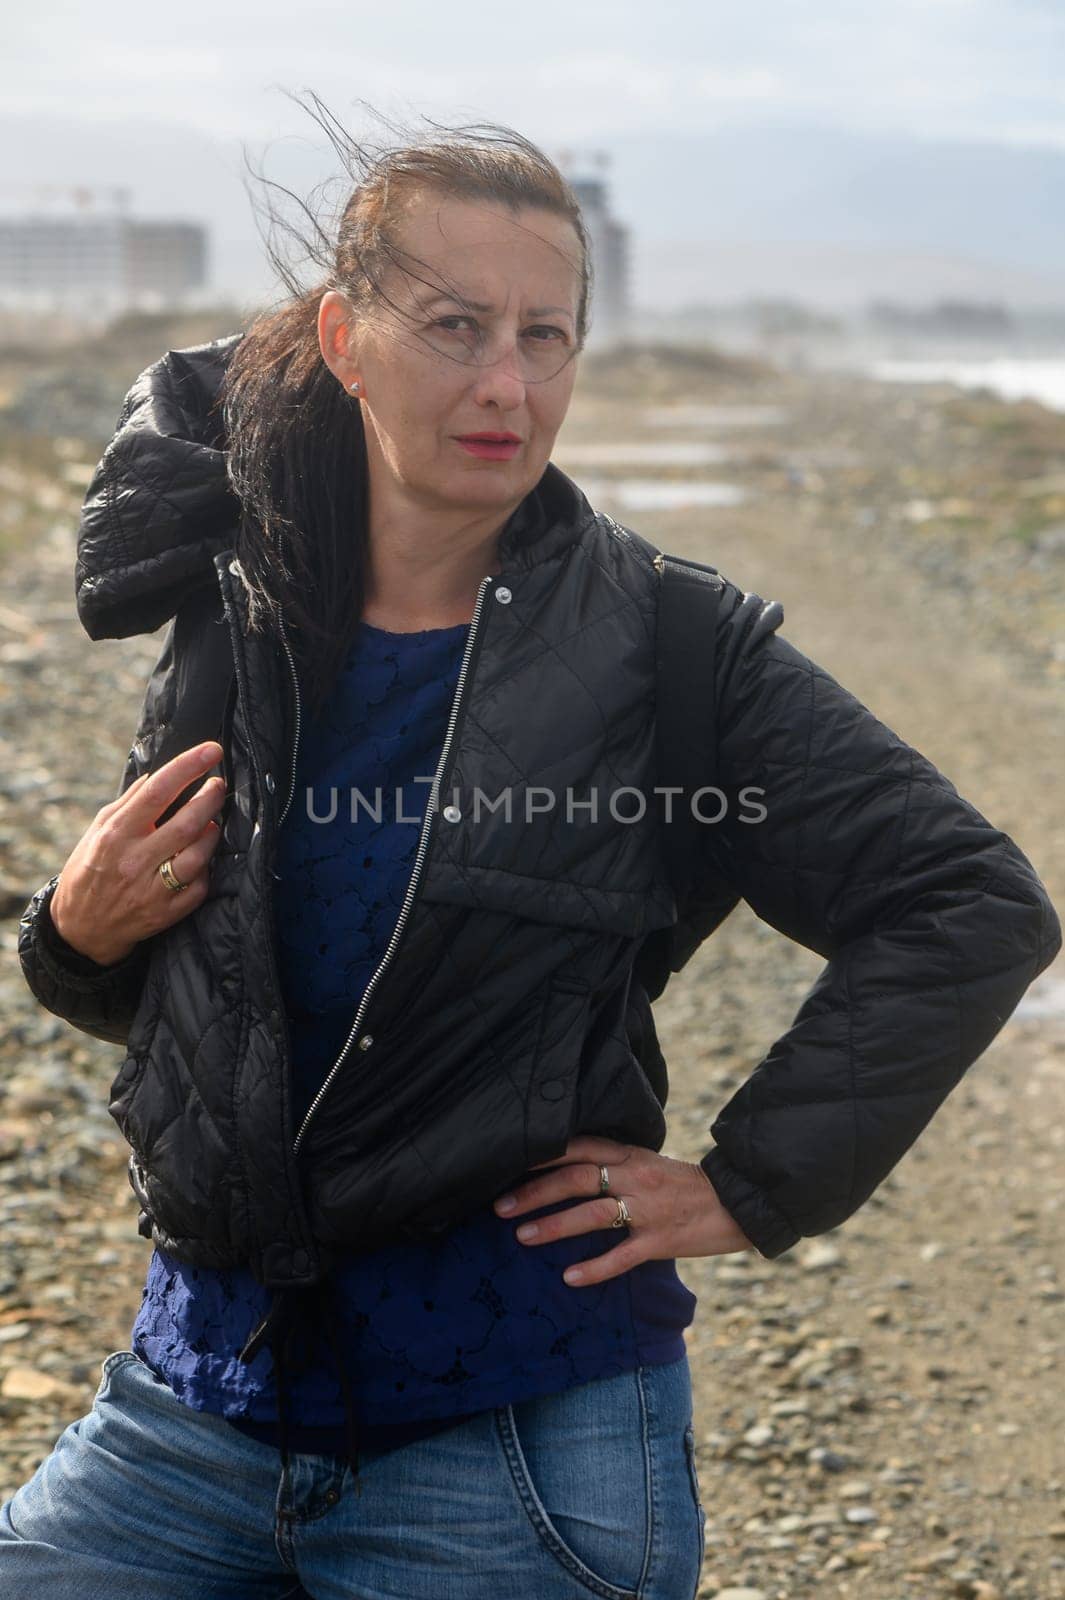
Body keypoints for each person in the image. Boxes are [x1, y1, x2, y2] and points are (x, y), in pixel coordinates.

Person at [4, 104, 1061, 1600]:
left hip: (509, 1443)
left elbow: (966, 903)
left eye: (544, 335)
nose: (507, 383)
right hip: (190, 1409)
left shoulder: (672, 644)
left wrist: (751, 1187)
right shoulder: (229, 612)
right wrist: (75, 935)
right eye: (453, 326)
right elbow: (228, 1012)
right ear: (347, 337)